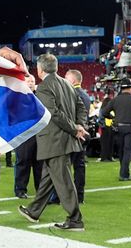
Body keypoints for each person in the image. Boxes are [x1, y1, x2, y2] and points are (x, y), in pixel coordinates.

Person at [17, 54, 86, 231]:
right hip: (63, 141)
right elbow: (81, 106)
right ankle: (34, 211)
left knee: (63, 181)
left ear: (40, 70)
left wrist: (74, 128)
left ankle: (75, 220)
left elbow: (54, 114)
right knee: (48, 179)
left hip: (55, 141)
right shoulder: (66, 84)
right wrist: (79, 125)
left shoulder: (44, 87)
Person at [102, 78, 131, 181]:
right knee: (128, 151)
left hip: (118, 128)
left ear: (121, 89)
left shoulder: (115, 100)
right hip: (130, 128)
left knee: (121, 151)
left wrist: (112, 118)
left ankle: (124, 172)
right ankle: (124, 174)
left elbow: (104, 112)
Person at [14, 75, 42, 198]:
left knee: (39, 164)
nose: (30, 83)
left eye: (32, 81)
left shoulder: (40, 96)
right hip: (24, 135)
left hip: (38, 135)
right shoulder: (18, 96)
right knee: (23, 162)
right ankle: (20, 190)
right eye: (28, 81)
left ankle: (40, 190)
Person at [63, 69, 89, 203]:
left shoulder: (71, 93)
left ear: (72, 81)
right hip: (83, 133)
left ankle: (62, 196)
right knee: (79, 166)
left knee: (64, 166)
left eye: (66, 78)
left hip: (72, 133)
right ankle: (79, 196)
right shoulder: (85, 94)